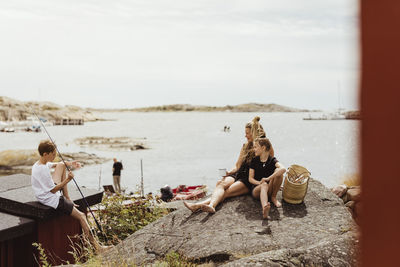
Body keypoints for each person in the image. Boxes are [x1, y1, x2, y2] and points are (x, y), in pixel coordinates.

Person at [184, 116, 274, 213]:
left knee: (227, 192)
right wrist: (228, 172)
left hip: (248, 180)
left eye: (247, 133)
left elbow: (271, 163)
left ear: (254, 133)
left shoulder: (264, 147)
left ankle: (205, 206)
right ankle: (205, 205)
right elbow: (238, 165)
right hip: (238, 174)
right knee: (220, 183)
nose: (245, 136)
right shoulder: (245, 146)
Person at [31, 140, 108, 251]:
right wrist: (68, 179)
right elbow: (52, 190)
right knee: (82, 216)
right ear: (45, 154)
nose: (55, 156)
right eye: (53, 154)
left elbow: (55, 164)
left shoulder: (39, 164)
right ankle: (98, 248)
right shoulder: (42, 170)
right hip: (51, 199)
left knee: (62, 164)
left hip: (44, 193)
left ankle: (68, 198)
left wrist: (70, 163)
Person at [249, 138, 285, 219]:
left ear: (263, 148)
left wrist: (268, 178)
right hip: (257, 189)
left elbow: (283, 169)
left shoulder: (272, 160)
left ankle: (273, 197)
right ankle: (265, 209)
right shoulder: (254, 160)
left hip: (270, 188)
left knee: (279, 172)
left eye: (255, 147)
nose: (254, 149)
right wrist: (260, 183)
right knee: (264, 185)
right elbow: (250, 179)